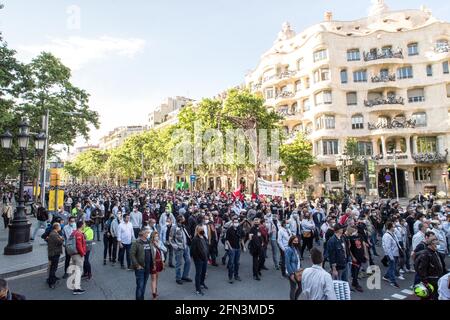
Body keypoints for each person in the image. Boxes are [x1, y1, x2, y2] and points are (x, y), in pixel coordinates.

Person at [169, 214, 192, 285]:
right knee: (179, 263)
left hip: (185, 247)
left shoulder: (183, 226)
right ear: (180, 220)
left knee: (188, 261)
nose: (185, 220)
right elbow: (170, 238)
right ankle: (178, 278)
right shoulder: (174, 227)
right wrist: (176, 246)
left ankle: (185, 276)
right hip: (179, 248)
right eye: (183, 219)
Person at [130, 228, 152, 300]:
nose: (148, 234)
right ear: (142, 233)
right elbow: (132, 254)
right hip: (140, 268)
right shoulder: (136, 242)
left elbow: (152, 254)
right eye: (147, 233)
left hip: (148, 268)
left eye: (148, 233)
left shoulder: (149, 242)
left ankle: (141, 298)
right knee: (140, 285)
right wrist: (137, 265)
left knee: (144, 285)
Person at [347, 226, 367, 292]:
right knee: (355, 270)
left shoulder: (360, 235)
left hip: (360, 255)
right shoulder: (350, 237)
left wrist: (365, 254)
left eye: (354, 230)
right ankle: (355, 283)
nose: (354, 232)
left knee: (358, 269)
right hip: (354, 256)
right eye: (352, 231)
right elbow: (349, 249)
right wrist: (352, 257)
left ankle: (354, 282)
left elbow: (363, 244)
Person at [191, 225, 209, 296]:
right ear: (197, 230)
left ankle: (202, 283)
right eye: (201, 229)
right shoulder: (195, 239)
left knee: (204, 272)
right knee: (198, 273)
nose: (202, 231)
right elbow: (192, 251)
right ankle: (198, 289)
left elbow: (206, 246)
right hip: (199, 259)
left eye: (203, 229)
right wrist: (197, 258)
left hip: (205, 258)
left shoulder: (204, 237)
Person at [382, 221, 401, 288]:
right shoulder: (387, 236)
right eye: (393, 227)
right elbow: (387, 247)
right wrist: (391, 257)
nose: (394, 228)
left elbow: (397, 242)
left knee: (392, 266)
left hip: (395, 253)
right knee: (392, 267)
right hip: (391, 254)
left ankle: (386, 276)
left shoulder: (393, 233)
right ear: (390, 227)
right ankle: (393, 282)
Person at [70, 221, 87, 295]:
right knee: (79, 271)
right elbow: (79, 245)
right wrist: (83, 253)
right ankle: (77, 289)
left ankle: (74, 285)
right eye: (84, 224)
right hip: (78, 255)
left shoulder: (74, 232)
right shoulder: (79, 234)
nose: (85, 225)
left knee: (74, 270)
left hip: (73, 254)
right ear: (81, 225)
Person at [225, 217, 243, 283]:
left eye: (237, 222)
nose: (236, 223)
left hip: (238, 248)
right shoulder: (229, 230)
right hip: (232, 248)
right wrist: (230, 247)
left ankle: (236, 275)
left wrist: (242, 246)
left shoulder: (239, 229)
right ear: (232, 222)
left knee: (237, 263)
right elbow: (227, 240)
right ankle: (230, 277)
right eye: (235, 222)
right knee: (231, 263)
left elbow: (242, 237)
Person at [47, 222, 64, 289]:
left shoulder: (54, 233)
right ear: (56, 227)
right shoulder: (54, 234)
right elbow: (60, 242)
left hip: (54, 253)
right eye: (59, 226)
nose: (60, 227)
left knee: (54, 267)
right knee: (53, 268)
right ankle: (51, 282)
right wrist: (61, 238)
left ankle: (53, 277)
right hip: (54, 254)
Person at [149, 231, 166, 299]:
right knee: (153, 278)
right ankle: (154, 295)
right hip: (153, 263)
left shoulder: (160, 242)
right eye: (156, 236)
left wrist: (158, 245)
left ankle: (155, 291)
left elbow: (165, 250)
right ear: (152, 237)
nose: (157, 237)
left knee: (156, 278)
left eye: (158, 236)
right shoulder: (150, 244)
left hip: (159, 262)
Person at [285, 235, 302, 300]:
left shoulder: (296, 249)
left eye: (297, 241)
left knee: (301, 287)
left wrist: (300, 268)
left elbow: (298, 259)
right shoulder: (288, 250)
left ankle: (295, 298)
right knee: (293, 288)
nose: (296, 242)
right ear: (291, 241)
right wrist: (291, 274)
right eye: (295, 241)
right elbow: (287, 262)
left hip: (297, 271)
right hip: (292, 271)